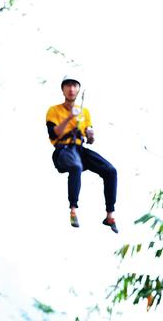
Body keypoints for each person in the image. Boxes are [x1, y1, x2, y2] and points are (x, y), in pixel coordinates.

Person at [46, 75, 118, 232]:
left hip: (80, 149)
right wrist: (70, 117)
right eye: (68, 86)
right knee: (75, 166)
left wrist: (90, 135)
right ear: (63, 89)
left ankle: (110, 214)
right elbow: (54, 133)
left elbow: (89, 137)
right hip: (63, 150)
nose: (71, 89)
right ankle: (73, 209)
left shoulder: (84, 112)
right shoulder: (54, 111)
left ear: (78, 89)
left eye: (74, 86)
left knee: (111, 171)